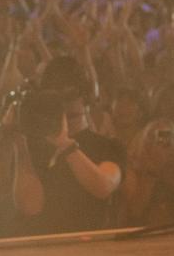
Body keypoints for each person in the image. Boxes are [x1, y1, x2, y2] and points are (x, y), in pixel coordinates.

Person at [9, 58, 125, 234]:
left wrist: (66, 145)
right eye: (55, 95)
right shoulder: (32, 148)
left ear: (85, 97)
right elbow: (30, 207)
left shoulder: (108, 147)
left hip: (91, 251)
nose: (63, 103)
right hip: (41, 252)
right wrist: (19, 143)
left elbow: (104, 186)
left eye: (70, 94)